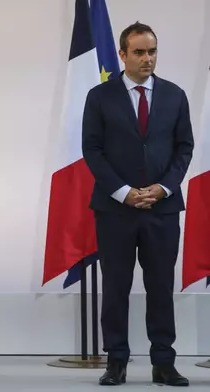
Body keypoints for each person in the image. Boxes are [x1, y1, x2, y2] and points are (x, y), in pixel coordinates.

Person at [82, 22, 193, 387]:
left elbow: (184, 148)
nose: (148, 59)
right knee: (115, 286)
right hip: (115, 210)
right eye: (140, 52)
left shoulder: (175, 95)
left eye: (153, 52)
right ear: (123, 54)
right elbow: (92, 150)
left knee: (161, 286)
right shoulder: (99, 97)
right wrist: (123, 191)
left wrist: (163, 187)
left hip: (162, 209)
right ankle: (116, 361)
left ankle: (164, 362)